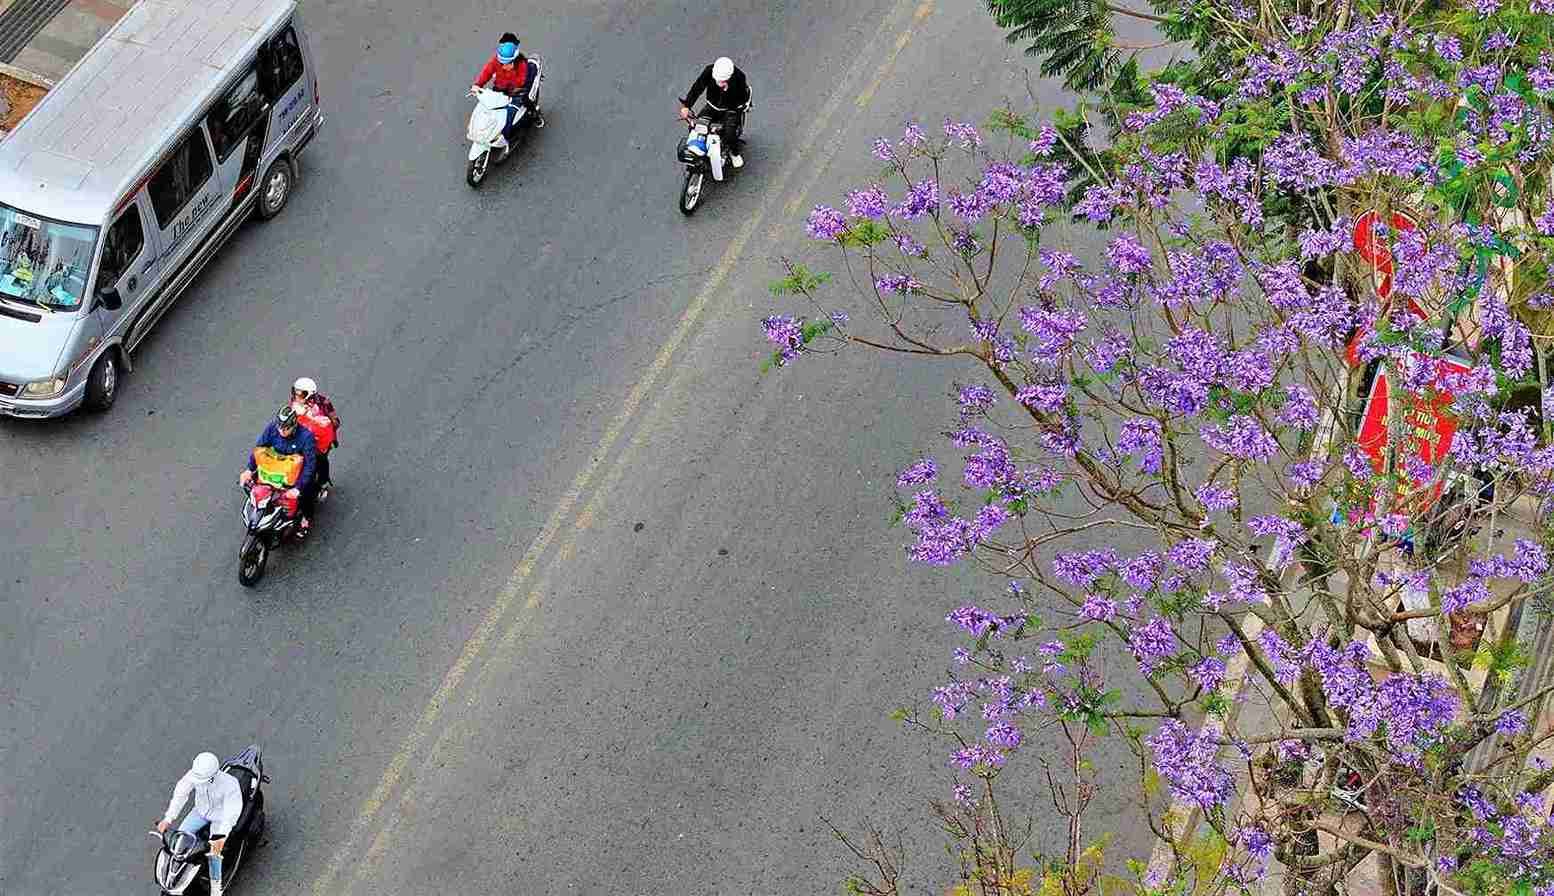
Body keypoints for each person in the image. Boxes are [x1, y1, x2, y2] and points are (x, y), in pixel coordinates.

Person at [155, 752, 243, 896]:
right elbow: (181, 793)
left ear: (213, 776)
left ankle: (216, 887)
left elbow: (231, 814)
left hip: (219, 818)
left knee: (214, 854)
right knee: (179, 841)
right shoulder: (195, 775)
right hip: (200, 812)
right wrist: (168, 818)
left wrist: (220, 837)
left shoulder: (230, 784)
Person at [239, 404, 319, 537]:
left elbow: (310, 465)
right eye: (280, 427)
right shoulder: (272, 428)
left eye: (285, 428)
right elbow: (259, 449)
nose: (281, 431)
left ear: (293, 426)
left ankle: (306, 518)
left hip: (296, 472)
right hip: (275, 467)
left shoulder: (306, 437)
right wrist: (249, 469)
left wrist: (298, 488)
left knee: (306, 494)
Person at [679, 56, 751, 168]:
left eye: (723, 81)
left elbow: (741, 99)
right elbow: (697, 87)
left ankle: (734, 153)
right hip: (712, 106)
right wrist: (687, 106)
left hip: (731, 109)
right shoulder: (709, 71)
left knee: (729, 134)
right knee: (696, 127)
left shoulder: (739, 77)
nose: (719, 83)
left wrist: (727, 90)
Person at [470, 32, 544, 131]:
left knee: (526, 102)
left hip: (516, 91)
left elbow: (521, 82)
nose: (503, 66)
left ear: (514, 59)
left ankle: (535, 115)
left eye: (507, 63)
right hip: (500, 88)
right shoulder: (496, 61)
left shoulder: (522, 65)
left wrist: (511, 91)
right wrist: (478, 84)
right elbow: (487, 72)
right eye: (502, 63)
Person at [290, 376, 340, 496]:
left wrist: (316, 420)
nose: (297, 396)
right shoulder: (296, 402)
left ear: (310, 394)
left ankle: (323, 482)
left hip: (320, 441)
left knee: (320, 461)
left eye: (301, 394)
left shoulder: (323, 403)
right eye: (295, 392)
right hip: (301, 438)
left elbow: (335, 422)